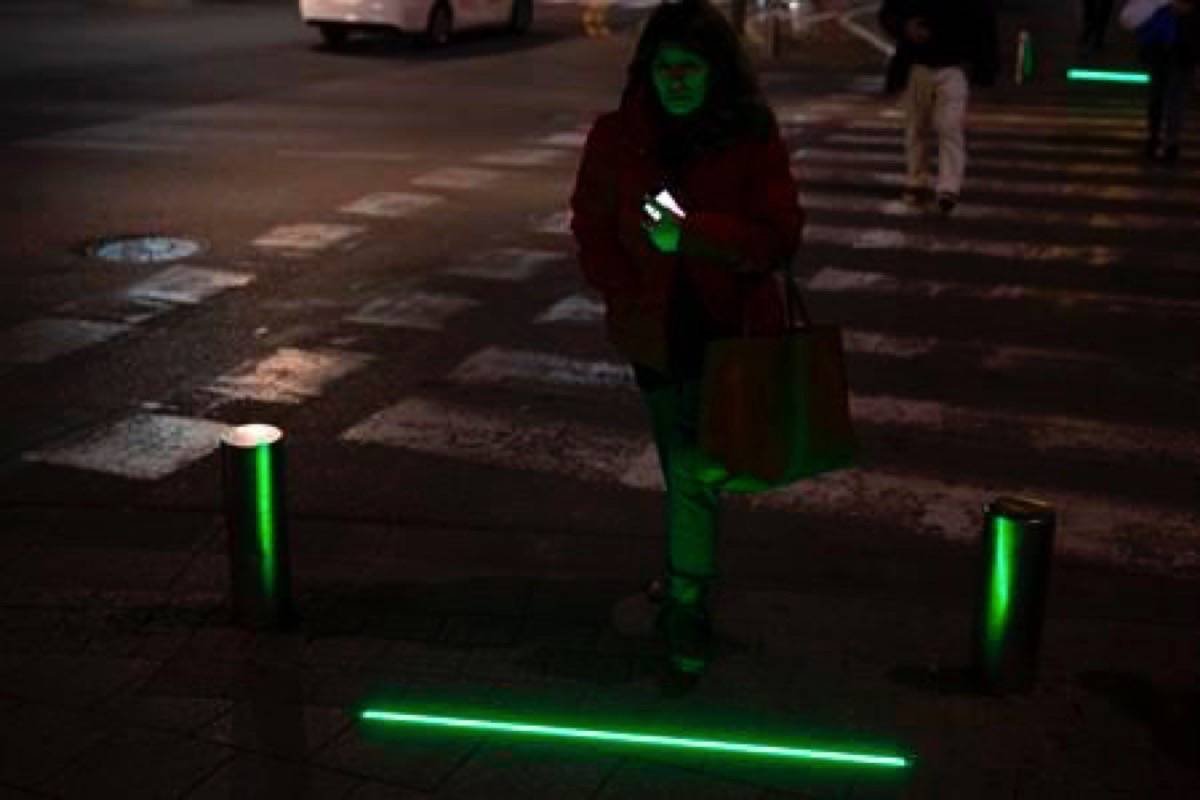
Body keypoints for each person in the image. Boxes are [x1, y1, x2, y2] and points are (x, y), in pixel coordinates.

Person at [570, 0, 803, 686]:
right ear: (647, 70)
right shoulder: (618, 137)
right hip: (655, 334)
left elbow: (779, 237)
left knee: (698, 470)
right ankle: (684, 571)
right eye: (665, 68)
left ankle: (687, 601)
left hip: (731, 332)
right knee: (685, 472)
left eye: (691, 69)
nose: (676, 82)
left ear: (716, 72)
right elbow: (591, 222)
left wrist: (693, 234)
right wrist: (621, 286)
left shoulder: (750, 137)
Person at [879, 0, 998, 215]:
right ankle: (917, 180)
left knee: (949, 126)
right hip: (917, 64)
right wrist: (905, 27)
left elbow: (983, 20)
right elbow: (888, 13)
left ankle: (948, 187)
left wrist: (982, 69)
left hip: (953, 65)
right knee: (917, 127)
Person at [1135, 0, 1200, 163]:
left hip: (1181, 48)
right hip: (1166, 49)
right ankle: (1161, 139)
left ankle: (1166, 141)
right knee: (1162, 97)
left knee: (1171, 98)